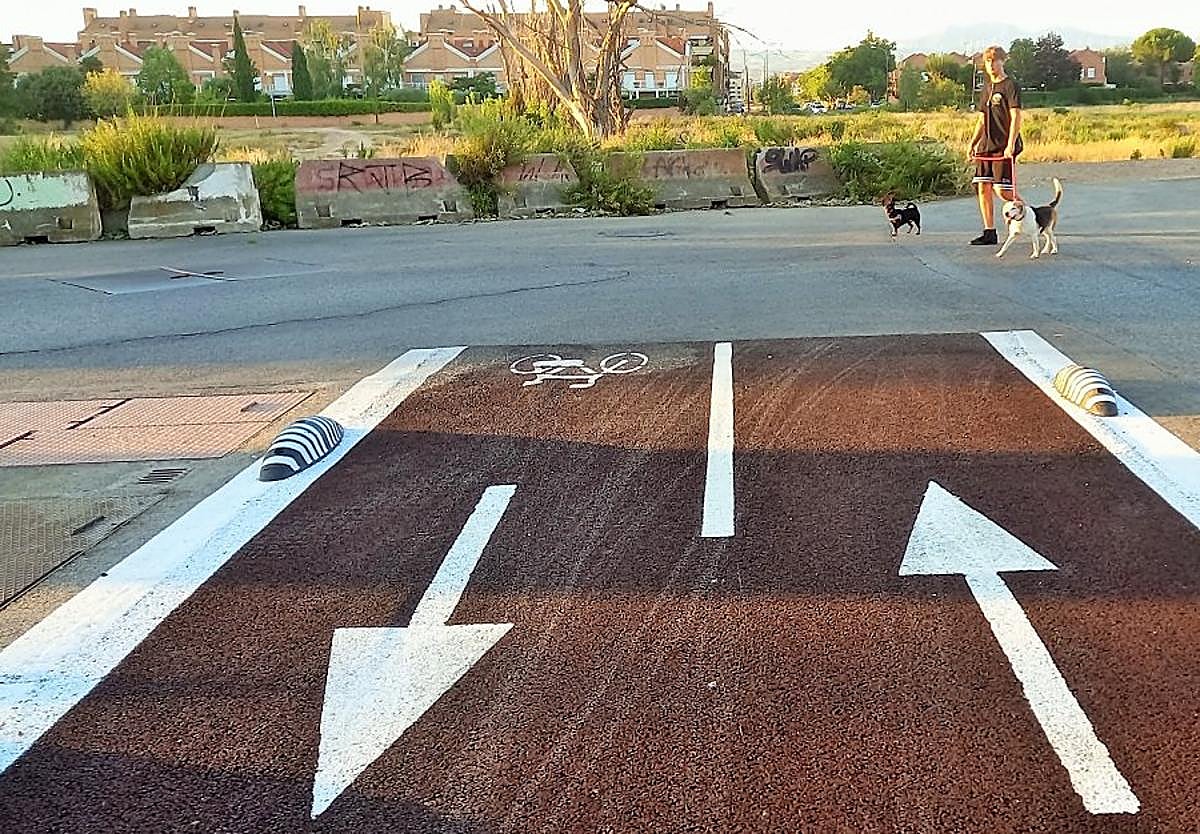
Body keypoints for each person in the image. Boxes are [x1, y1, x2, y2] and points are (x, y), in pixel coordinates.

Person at [967, 45, 1023, 245]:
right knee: (983, 187)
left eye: (994, 60)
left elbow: (1016, 116)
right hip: (986, 146)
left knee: (1003, 191)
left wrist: (1010, 145)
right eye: (988, 61)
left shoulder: (1010, 86)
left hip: (1004, 146)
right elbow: (982, 118)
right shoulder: (987, 88)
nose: (991, 65)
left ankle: (1030, 217)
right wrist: (973, 143)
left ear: (1002, 61)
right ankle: (989, 232)